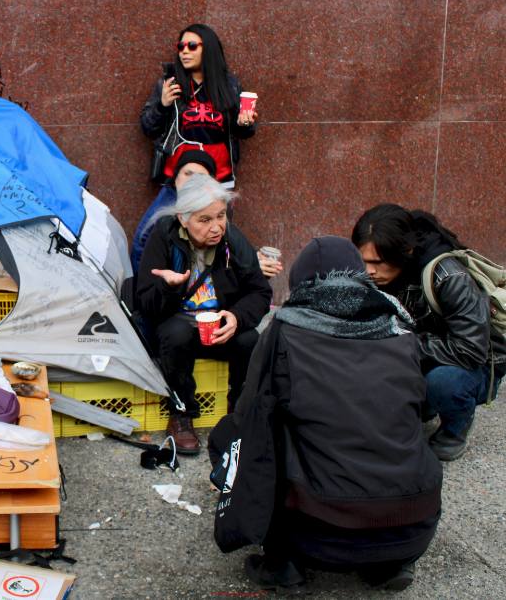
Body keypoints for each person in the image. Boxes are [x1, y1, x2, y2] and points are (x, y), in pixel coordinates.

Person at [213, 236, 442, 593]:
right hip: (413, 524)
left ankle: (283, 564)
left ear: (299, 283)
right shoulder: (400, 328)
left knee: (237, 435)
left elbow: (249, 416)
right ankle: (386, 563)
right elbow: (419, 408)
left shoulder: (285, 331)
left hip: (319, 533)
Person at [352, 204, 506, 461]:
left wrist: (401, 344)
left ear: (406, 252)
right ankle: (420, 405)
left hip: (474, 366)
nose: (369, 270)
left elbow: (470, 350)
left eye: (377, 262)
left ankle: (454, 429)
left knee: (443, 383)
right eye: (362, 261)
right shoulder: (377, 276)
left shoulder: (448, 276)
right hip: (416, 352)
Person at [136, 175, 271, 454]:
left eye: (220, 216)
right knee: (176, 334)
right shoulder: (163, 236)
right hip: (177, 323)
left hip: (217, 325)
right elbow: (145, 304)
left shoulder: (231, 239)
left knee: (249, 339)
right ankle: (182, 413)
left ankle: (239, 413)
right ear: (184, 219)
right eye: (204, 220)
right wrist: (168, 286)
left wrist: (236, 317)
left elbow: (259, 292)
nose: (216, 227)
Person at [130, 150, 282, 279]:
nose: (191, 181)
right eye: (187, 174)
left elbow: (227, 246)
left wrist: (251, 260)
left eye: (220, 216)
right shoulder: (164, 219)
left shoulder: (214, 204)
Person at [140, 23, 257, 189]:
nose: (184, 51)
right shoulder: (170, 84)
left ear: (208, 49)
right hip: (177, 175)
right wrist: (162, 105)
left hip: (218, 176)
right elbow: (148, 129)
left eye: (192, 46)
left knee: (214, 215)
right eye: (181, 47)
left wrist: (245, 124)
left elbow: (243, 132)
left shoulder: (229, 85)